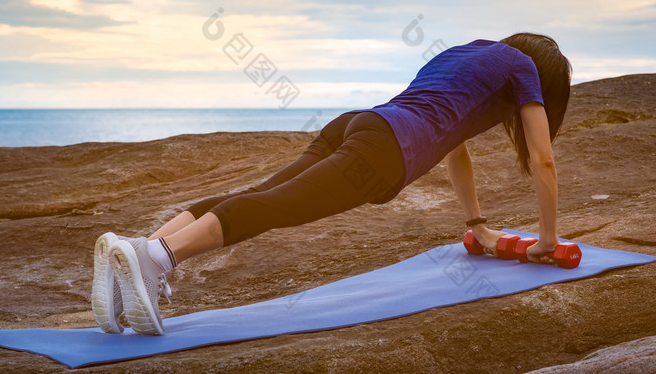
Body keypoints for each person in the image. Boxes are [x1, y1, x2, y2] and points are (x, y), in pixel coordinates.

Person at [91, 33, 572, 335]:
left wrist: (477, 225)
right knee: (273, 207)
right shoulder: (524, 69)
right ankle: (157, 259)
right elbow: (542, 159)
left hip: (357, 123)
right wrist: (546, 241)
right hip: (382, 153)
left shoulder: (468, 52)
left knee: (256, 196)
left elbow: (455, 146)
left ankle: (136, 253)